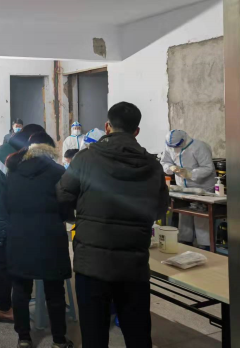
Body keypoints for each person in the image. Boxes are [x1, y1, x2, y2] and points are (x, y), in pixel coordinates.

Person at [57, 102, 169, 348]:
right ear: (136, 131)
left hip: (92, 264)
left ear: (107, 127)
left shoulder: (85, 158)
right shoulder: (152, 165)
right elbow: (160, 209)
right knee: (138, 335)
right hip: (133, 265)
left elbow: (63, 196)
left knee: (94, 336)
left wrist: (78, 218)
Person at [6, 132, 74, 348]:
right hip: (50, 238)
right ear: (50, 149)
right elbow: (67, 209)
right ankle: (59, 340)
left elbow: (6, 204)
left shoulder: (13, 171)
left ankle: (24, 339)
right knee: (55, 291)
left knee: (20, 290)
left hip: (19, 236)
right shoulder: (59, 172)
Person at [0, 123, 44, 323]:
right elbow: (20, 194)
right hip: (1, 220)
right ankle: (4, 308)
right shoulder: (14, 158)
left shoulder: (3, 149)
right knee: (3, 266)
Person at [161, 129, 216, 249]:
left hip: (201, 186)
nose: (174, 149)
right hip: (182, 187)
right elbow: (164, 162)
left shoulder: (199, 147)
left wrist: (190, 174)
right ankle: (185, 242)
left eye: (176, 146)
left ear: (183, 140)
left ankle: (205, 245)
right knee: (184, 214)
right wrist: (171, 167)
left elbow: (208, 168)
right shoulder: (169, 146)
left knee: (201, 216)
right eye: (172, 147)